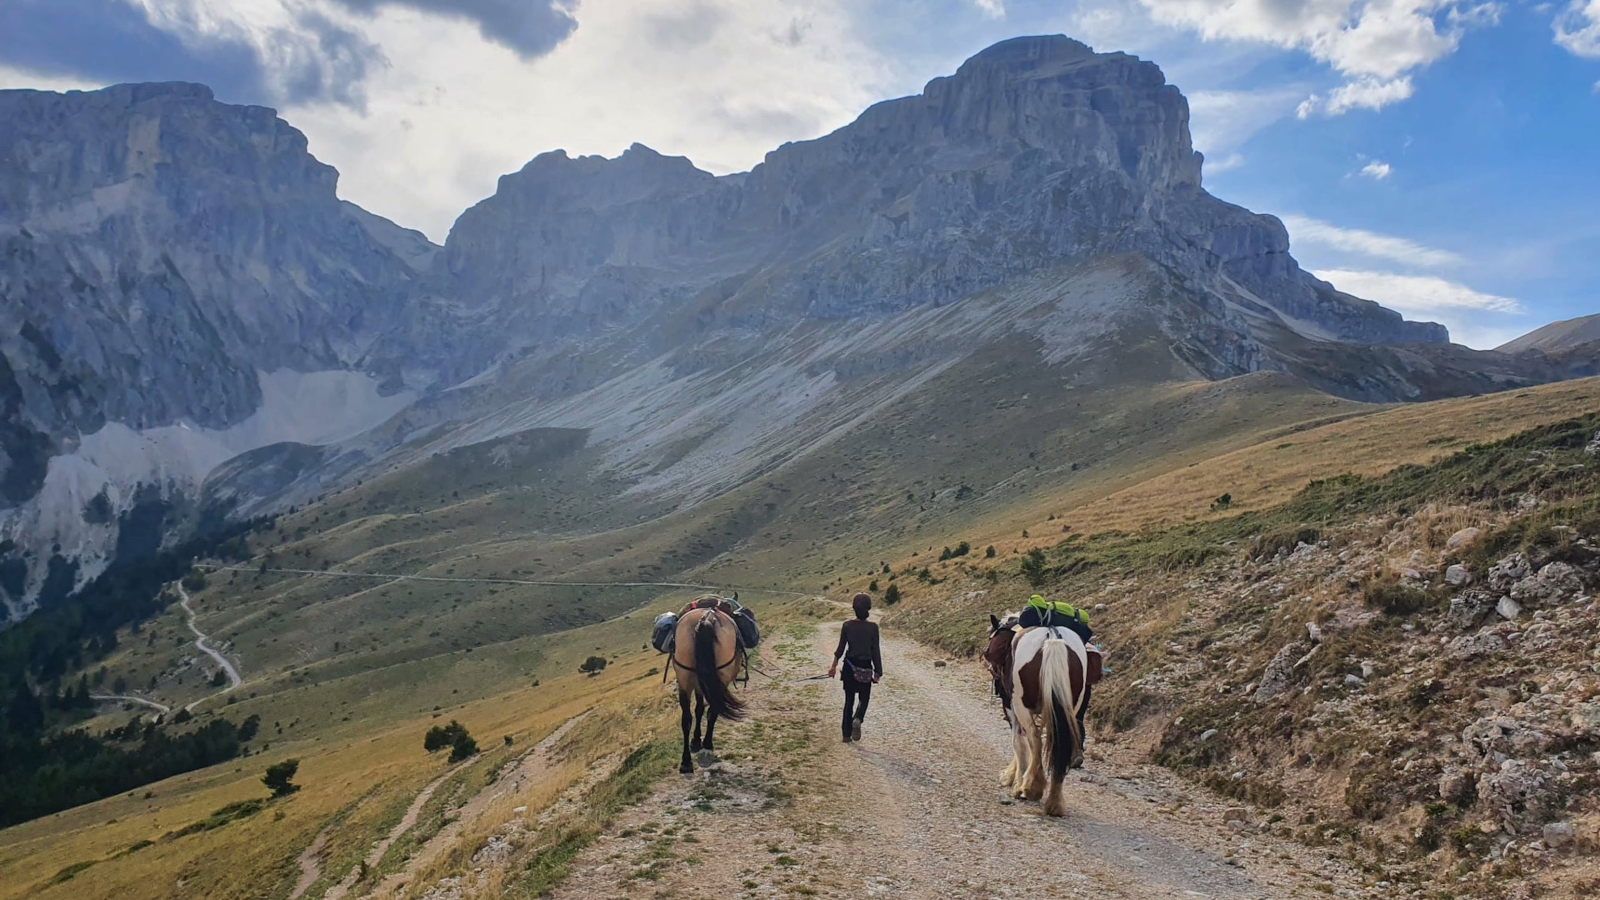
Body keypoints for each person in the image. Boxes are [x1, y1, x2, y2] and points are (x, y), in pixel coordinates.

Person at [1016, 593, 1096, 750]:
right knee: (1077, 715)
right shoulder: (1076, 627)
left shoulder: (1033, 620)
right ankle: (1077, 749)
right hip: (1080, 688)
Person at [827, 593, 882, 743]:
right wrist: (878, 672)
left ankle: (846, 734)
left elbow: (840, 648)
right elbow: (875, 651)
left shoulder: (847, 626)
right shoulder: (873, 628)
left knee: (849, 700)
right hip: (865, 668)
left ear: (854, 609)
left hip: (850, 668)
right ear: (868, 609)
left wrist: (833, 666)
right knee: (864, 698)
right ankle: (858, 718)